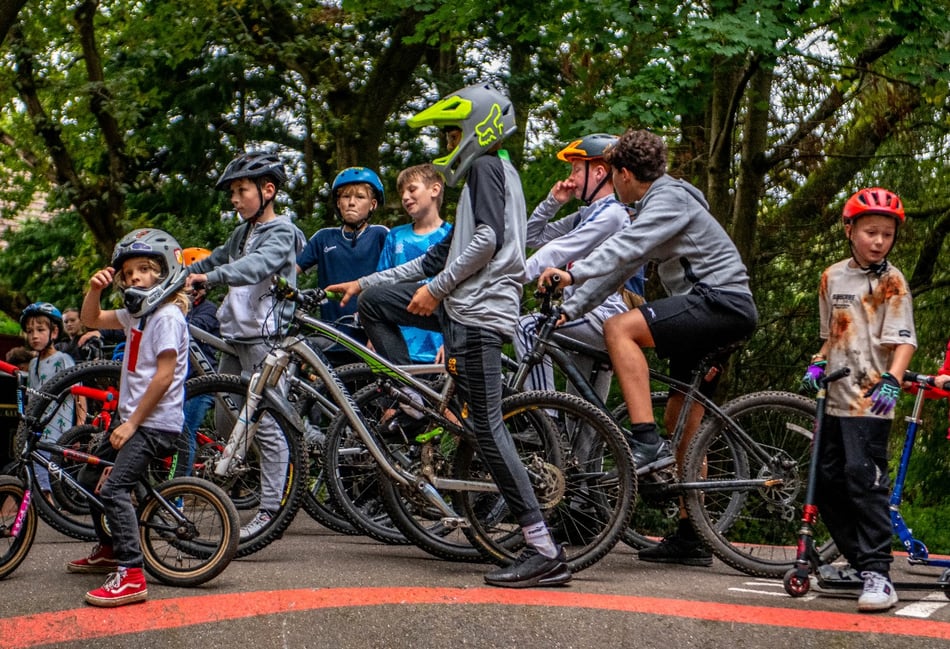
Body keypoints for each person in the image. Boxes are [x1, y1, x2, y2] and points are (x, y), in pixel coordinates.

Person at [327, 82, 571, 588]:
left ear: (481, 125)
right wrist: (363, 282)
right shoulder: (492, 174)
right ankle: (410, 396)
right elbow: (436, 256)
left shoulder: (486, 166)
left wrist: (435, 291)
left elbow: (488, 241)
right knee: (375, 302)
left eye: (455, 130)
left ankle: (542, 548)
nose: (450, 141)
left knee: (488, 427)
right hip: (467, 310)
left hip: (478, 315)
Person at [538, 128, 758, 568]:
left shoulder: (668, 199)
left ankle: (644, 441)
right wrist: (571, 308)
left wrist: (570, 274)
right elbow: (624, 266)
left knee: (620, 329)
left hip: (719, 302)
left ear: (621, 173)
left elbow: (625, 247)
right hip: (709, 307)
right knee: (685, 428)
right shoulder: (655, 205)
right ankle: (693, 536)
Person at [800, 187, 915, 613]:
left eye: (886, 234)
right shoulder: (831, 277)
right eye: (871, 232)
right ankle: (858, 560)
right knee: (826, 481)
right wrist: (816, 365)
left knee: (863, 480)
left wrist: (892, 380)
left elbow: (904, 342)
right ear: (850, 230)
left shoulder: (892, 280)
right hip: (834, 395)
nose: (879, 241)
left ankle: (879, 574)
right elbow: (830, 336)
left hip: (872, 400)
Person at [186, 151, 306, 539]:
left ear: (267, 190)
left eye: (241, 191)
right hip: (235, 337)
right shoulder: (241, 233)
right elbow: (212, 260)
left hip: (267, 338)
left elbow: (253, 267)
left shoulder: (283, 231)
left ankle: (272, 509)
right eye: (232, 193)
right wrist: (175, 276)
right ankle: (239, 485)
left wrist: (212, 278)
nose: (234, 200)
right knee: (226, 420)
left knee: (267, 425)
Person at [69, 228, 190, 607]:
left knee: (114, 489)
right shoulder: (136, 315)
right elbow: (92, 320)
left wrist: (132, 423)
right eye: (128, 273)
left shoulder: (167, 316)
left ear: (164, 272)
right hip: (136, 421)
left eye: (144, 269)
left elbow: (165, 376)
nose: (134, 277)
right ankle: (109, 546)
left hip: (153, 425)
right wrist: (95, 289)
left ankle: (132, 573)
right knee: (90, 476)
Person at [513, 133, 642, 405]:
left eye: (575, 169)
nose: (570, 177)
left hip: (603, 316)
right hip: (584, 317)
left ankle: (543, 414)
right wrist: (552, 203)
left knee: (527, 328)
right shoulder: (586, 215)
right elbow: (531, 238)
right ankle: (565, 436)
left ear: (597, 172)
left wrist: (511, 277)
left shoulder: (612, 215)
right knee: (582, 420)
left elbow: (558, 250)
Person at [296, 166, 388, 354]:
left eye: (360, 197)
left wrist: (380, 332)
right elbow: (290, 271)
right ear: (338, 203)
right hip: (331, 335)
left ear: (373, 204)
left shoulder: (381, 235)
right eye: (345, 197)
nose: (351, 203)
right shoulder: (323, 238)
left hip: (369, 335)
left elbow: (392, 282)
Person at [377, 163, 452, 363]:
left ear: (435, 189)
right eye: (402, 193)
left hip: (439, 349)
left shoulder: (452, 235)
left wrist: (451, 342)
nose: (404, 197)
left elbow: (461, 290)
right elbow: (382, 285)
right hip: (399, 346)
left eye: (412, 189)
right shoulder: (395, 236)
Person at [20, 302, 75, 502]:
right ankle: (43, 499)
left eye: (40, 330)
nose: (34, 335)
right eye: (29, 331)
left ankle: (47, 500)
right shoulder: (33, 363)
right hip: (36, 426)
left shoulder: (63, 359)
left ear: (54, 332)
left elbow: (78, 394)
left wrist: (80, 427)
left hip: (57, 426)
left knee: (46, 463)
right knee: (34, 460)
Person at [179, 247, 220, 475]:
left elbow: (197, 329)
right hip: (181, 381)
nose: (191, 290)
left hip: (202, 382)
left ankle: (179, 495)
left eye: (195, 285)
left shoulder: (209, 310)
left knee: (186, 433)